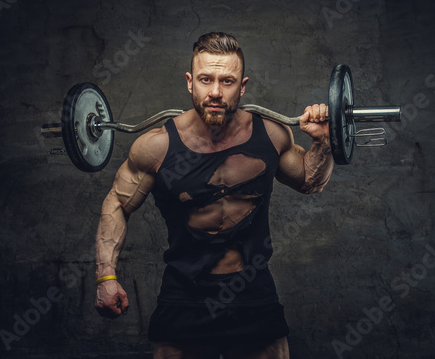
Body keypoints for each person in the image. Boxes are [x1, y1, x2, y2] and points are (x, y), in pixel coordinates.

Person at [94, 32, 334, 358]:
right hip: (184, 293)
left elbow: (310, 181)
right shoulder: (156, 146)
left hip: (252, 289)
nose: (216, 92)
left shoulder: (271, 134)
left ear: (243, 86)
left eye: (228, 81)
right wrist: (105, 276)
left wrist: (322, 143)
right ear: (190, 82)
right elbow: (118, 203)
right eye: (206, 79)